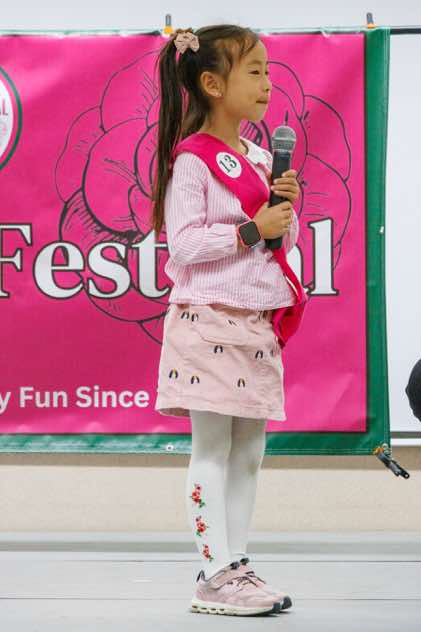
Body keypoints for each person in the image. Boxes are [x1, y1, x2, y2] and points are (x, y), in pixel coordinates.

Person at [151, 24, 301, 616]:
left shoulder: (259, 159)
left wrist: (281, 214)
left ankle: (237, 564)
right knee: (212, 449)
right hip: (207, 322)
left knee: (249, 452)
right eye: (254, 71)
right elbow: (184, 245)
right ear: (213, 84)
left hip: (255, 324)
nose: (267, 83)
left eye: (268, 71)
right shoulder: (193, 161)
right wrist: (251, 229)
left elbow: (271, 244)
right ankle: (213, 572)